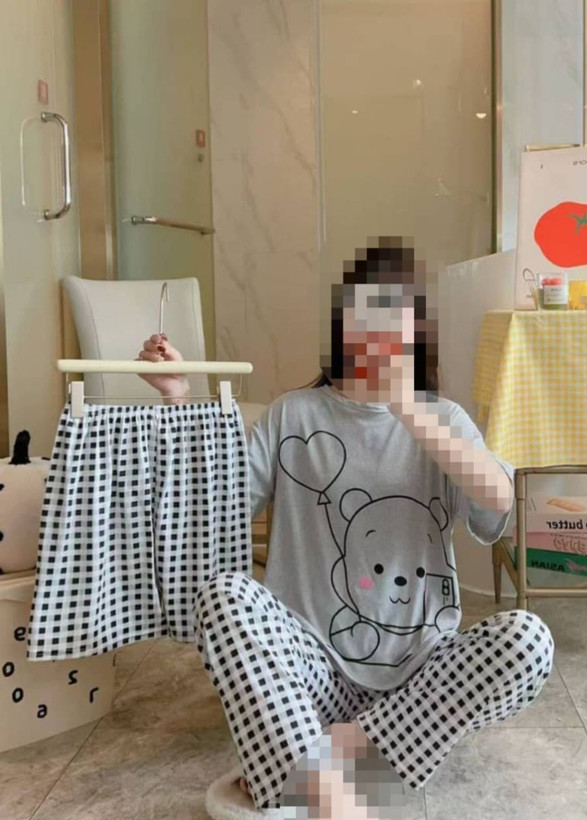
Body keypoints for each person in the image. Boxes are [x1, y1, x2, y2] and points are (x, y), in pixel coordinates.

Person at [138, 237, 554, 819]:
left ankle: (311, 765)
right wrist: (179, 396)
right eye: (365, 313)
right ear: (341, 328)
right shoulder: (293, 414)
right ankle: (338, 785)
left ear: (416, 335)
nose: (378, 332)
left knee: (528, 643)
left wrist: (409, 408)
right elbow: (213, 504)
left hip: (419, 673)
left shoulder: (445, 419)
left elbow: (496, 502)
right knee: (224, 596)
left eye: (395, 316)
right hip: (310, 668)